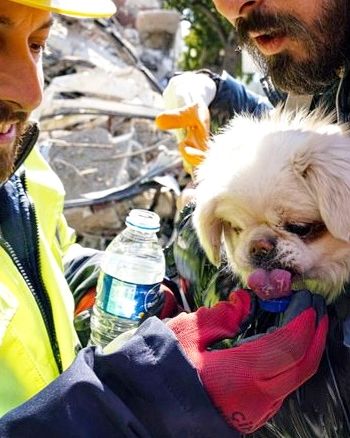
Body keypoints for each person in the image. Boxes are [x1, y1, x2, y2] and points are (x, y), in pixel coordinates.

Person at [0, 1, 328, 437]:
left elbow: (42, 262)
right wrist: (145, 401)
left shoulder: (21, 166)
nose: (31, 91)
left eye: (38, 44)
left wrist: (114, 289)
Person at [156, 0, 350, 436]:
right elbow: (284, 126)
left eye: (300, 228)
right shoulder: (317, 47)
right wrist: (212, 88)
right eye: (237, 229)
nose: (233, 4)